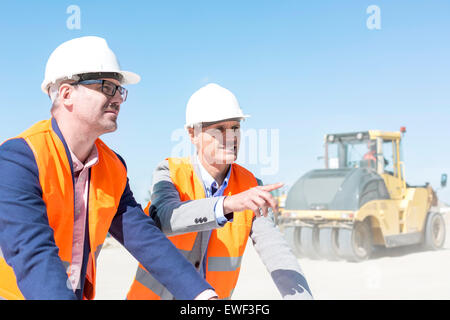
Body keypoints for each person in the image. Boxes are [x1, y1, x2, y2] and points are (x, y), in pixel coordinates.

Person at [0, 36, 217, 300]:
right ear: (67, 94)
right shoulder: (19, 160)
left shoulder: (112, 167)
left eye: (119, 90)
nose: (119, 99)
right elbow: (33, 253)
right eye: (107, 87)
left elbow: (145, 239)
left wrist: (201, 294)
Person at [126, 83, 313, 300]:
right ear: (192, 134)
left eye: (235, 128)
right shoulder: (170, 172)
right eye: (219, 129)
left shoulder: (250, 185)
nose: (232, 137)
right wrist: (227, 205)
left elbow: (276, 251)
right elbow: (165, 218)